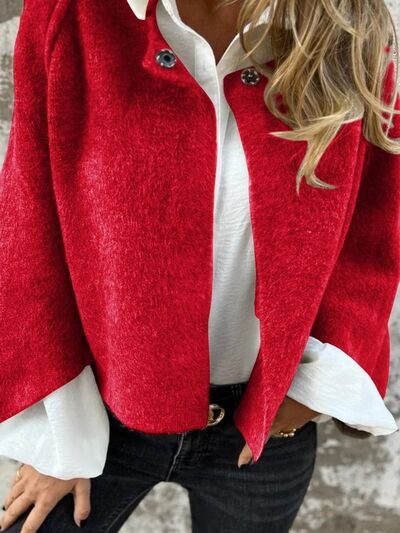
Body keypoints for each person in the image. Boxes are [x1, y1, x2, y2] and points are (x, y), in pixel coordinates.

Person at [0, 0, 399, 531]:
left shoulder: (347, 28)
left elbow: (374, 227)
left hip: (261, 426)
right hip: (95, 408)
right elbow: (29, 224)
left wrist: (314, 388)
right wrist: (58, 436)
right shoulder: (71, 16)